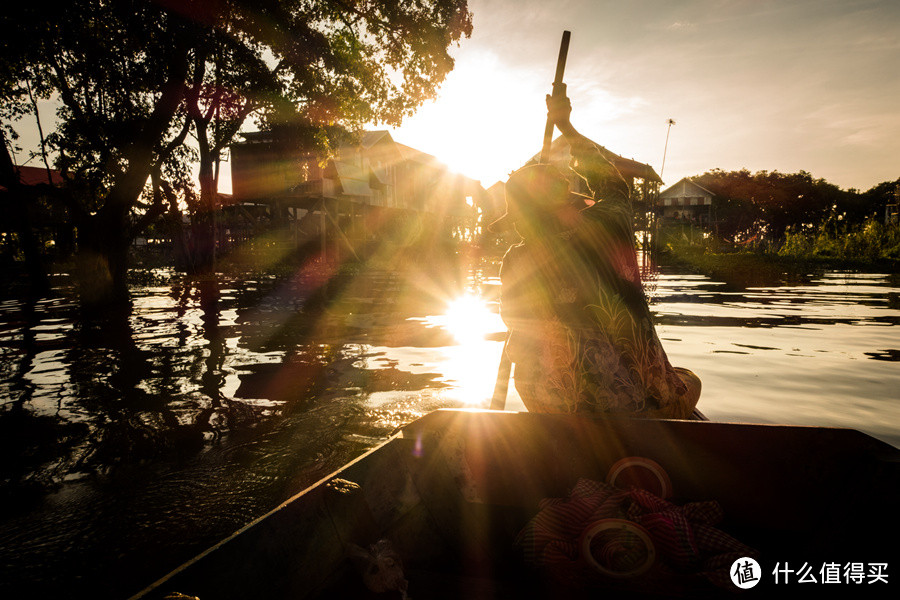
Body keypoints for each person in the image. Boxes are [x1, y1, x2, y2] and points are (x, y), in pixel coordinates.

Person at [491, 92, 701, 419]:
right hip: (632, 406)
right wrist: (567, 127)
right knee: (690, 381)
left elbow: (518, 337)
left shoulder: (515, 260)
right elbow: (614, 187)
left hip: (550, 405)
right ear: (568, 206)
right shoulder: (607, 224)